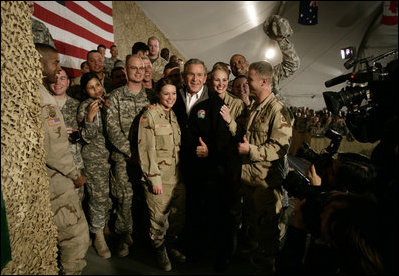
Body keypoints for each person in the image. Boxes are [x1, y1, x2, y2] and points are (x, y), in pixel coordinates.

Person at [172, 58, 237, 270]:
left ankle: (202, 255)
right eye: (191, 74)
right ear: (184, 76)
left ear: (205, 77)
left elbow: (224, 138)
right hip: (179, 166)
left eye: (199, 75)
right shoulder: (175, 98)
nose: (195, 79)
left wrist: (210, 150)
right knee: (185, 211)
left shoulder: (216, 103)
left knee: (205, 212)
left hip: (206, 170)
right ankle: (185, 247)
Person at [232, 61, 293, 274]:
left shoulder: (278, 110)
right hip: (249, 180)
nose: (246, 83)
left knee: (268, 231)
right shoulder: (254, 107)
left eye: (250, 79)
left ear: (264, 81)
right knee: (253, 225)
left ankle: (268, 265)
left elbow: (280, 147)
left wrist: (251, 150)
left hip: (265, 183)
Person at [35, 43, 89, 274]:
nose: (58, 68)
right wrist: (75, 174)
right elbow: (55, 147)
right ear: (40, 62)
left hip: (44, 177)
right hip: (56, 178)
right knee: (76, 236)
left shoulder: (33, 91)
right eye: (55, 62)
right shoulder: (45, 100)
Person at [104, 55, 154, 257]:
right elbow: (112, 128)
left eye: (142, 68)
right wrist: (131, 152)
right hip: (124, 158)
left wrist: (144, 154)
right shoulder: (114, 97)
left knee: (147, 197)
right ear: (126, 70)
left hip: (147, 158)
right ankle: (124, 237)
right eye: (134, 68)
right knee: (124, 197)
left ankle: (145, 235)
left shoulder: (151, 96)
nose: (138, 71)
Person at [137, 78, 186, 271]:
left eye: (173, 94)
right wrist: (153, 179)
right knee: (158, 220)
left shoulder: (172, 115)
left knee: (177, 218)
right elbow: (146, 150)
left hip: (176, 178)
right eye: (166, 93)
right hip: (159, 179)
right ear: (158, 94)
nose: (171, 97)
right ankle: (159, 251)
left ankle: (170, 245)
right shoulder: (150, 115)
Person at [77, 72, 113, 259]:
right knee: (97, 199)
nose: (96, 89)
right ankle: (98, 235)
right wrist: (90, 118)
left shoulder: (107, 101)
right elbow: (85, 136)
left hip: (109, 158)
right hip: (94, 160)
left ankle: (104, 225)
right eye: (91, 87)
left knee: (107, 197)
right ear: (85, 90)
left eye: (97, 85)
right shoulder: (86, 107)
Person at [230, 15, 300, 96]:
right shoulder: (229, 89)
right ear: (231, 70)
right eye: (233, 65)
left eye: (240, 62)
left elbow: (292, 64)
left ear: (248, 63)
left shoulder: (266, 76)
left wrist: (281, 40)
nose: (237, 66)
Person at [49, 69, 85, 200]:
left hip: (74, 164)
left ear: (68, 82)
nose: (58, 82)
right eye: (55, 78)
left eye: (62, 78)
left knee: (77, 206)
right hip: (52, 167)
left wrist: (79, 134)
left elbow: (88, 134)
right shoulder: (44, 106)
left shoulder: (77, 106)